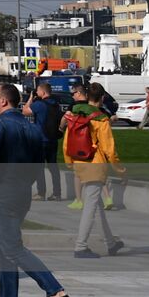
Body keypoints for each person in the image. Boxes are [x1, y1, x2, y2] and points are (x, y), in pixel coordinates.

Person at [0, 82, 69, 297]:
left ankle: (55, 291)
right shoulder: (31, 127)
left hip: (2, 190)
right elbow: (38, 164)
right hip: (22, 191)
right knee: (3, 245)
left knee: (10, 246)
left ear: (4, 101)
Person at [63, 82, 124, 258]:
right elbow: (109, 149)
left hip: (78, 160)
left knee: (96, 204)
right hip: (95, 164)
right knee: (90, 206)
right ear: (102, 98)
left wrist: (69, 161)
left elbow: (67, 140)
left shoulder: (75, 113)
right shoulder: (101, 118)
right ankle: (80, 247)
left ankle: (110, 243)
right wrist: (120, 169)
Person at [26, 83, 67, 201]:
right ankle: (57, 193)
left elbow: (25, 111)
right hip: (52, 139)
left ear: (43, 92)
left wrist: (30, 99)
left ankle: (41, 193)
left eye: (38, 91)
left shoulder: (39, 105)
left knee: (39, 167)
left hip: (41, 139)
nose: (37, 93)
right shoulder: (55, 104)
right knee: (53, 167)